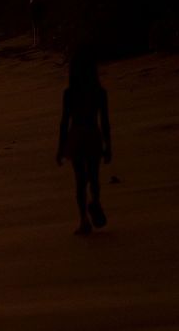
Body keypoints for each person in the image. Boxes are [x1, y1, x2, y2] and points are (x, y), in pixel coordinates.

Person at [56, 52, 112, 235]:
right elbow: (104, 121)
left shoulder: (70, 93)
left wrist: (61, 147)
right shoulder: (99, 92)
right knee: (94, 176)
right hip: (93, 134)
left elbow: (65, 122)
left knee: (80, 181)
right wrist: (108, 146)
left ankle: (83, 220)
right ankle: (95, 201)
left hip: (77, 135)